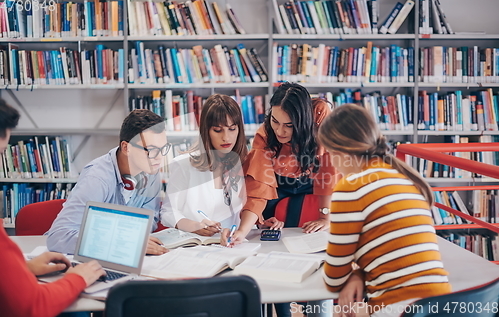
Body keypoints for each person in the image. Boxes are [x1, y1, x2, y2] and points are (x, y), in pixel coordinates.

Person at [319, 104, 451, 317]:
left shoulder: (350, 186)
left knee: (339, 314)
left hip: (401, 308)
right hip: (442, 301)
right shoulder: (403, 177)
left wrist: (351, 276)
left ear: (338, 152)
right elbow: (388, 250)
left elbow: (334, 279)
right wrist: (359, 274)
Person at [221, 83, 338, 317]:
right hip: (277, 186)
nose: (280, 131)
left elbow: (329, 168)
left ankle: (313, 306)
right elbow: (259, 186)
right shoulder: (266, 134)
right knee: (274, 247)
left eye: (289, 125)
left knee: (317, 251)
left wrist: (326, 216)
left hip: (314, 183)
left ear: (304, 120)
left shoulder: (321, 115)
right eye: (275, 121)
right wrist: (243, 230)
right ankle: (282, 307)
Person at [0, 98, 105, 317]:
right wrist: (79, 278)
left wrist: (23, 270)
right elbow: (33, 307)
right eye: (1, 152)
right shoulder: (96, 174)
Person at [47, 109, 169, 255]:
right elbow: (58, 237)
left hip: (120, 255)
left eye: (163, 149)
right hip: (79, 258)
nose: (159, 157)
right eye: (151, 150)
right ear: (126, 147)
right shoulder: (97, 179)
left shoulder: (151, 170)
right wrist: (126, 241)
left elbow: (151, 219)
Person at [161, 94, 247, 235]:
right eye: (218, 130)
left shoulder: (243, 163)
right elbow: (167, 212)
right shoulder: (184, 165)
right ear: (205, 131)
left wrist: (259, 222)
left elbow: (240, 213)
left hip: (233, 244)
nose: (226, 137)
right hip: (197, 246)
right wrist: (194, 226)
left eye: (232, 129)